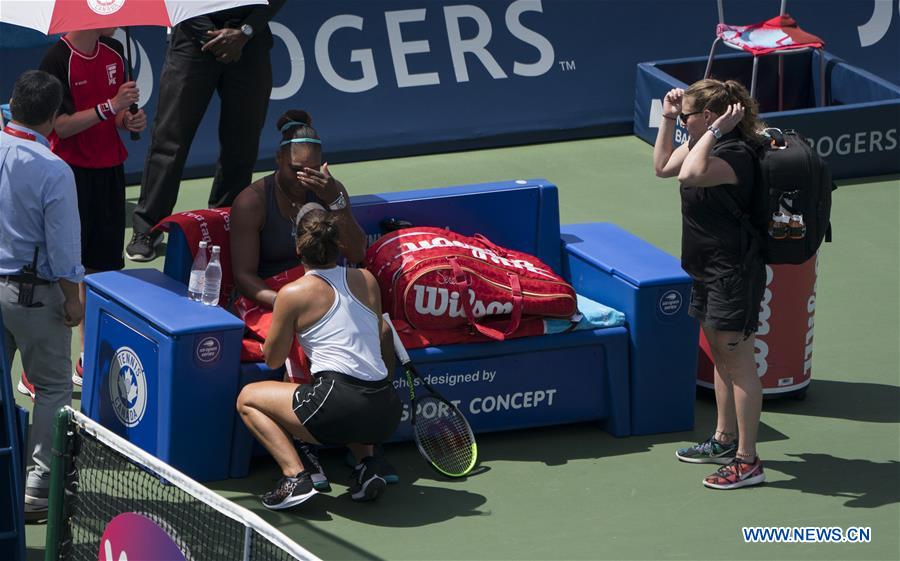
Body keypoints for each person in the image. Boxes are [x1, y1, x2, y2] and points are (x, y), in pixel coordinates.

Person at [236, 208, 402, 509]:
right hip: (386, 410)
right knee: (355, 389)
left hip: (337, 408)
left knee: (247, 398)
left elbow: (273, 360)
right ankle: (368, 465)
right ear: (338, 245)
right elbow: (379, 335)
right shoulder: (366, 279)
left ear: (298, 248)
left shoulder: (292, 293)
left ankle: (294, 477)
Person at [652, 78, 766, 490]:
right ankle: (723, 439)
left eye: (687, 117)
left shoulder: (733, 152)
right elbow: (664, 167)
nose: (683, 123)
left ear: (711, 116)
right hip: (706, 269)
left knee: (739, 363)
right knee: (721, 356)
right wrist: (667, 118)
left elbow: (692, 174)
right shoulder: (703, 139)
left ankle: (748, 461)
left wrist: (714, 132)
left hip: (733, 273)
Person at [126, 0, 286, 262]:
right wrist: (210, 35)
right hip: (191, 39)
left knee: (242, 139)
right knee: (170, 139)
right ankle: (148, 227)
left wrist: (245, 31)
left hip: (249, 41)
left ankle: (225, 220)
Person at [36, 27, 146, 388]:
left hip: (109, 171)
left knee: (103, 270)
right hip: (70, 174)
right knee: (67, 272)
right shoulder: (57, 60)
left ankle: (87, 357)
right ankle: (36, 370)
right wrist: (110, 106)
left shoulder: (114, 50)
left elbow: (112, 117)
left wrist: (125, 119)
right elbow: (61, 128)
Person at [0, 70, 85, 519]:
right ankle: (38, 487)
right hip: (33, 297)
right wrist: (73, 298)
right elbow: (65, 249)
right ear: (54, 117)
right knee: (52, 387)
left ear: (12, 102)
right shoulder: (54, 169)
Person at [230, 109, 366, 308]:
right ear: (279, 158)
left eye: (312, 170)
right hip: (271, 300)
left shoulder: (331, 191)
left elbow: (357, 254)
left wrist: (336, 204)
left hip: (324, 296)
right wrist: (288, 306)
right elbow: (244, 276)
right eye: (295, 170)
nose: (303, 179)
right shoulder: (251, 202)